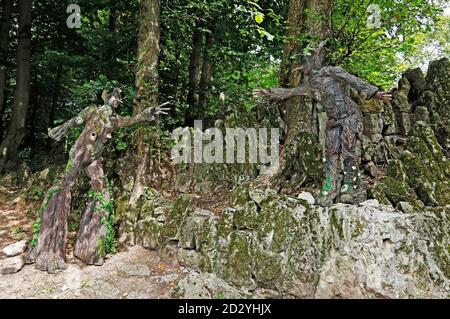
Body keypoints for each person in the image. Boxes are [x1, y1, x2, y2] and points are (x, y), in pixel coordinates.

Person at [254, 41, 392, 206]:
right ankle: (329, 188)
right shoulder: (309, 85)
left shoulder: (330, 72)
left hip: (350, 116)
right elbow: (290, 92)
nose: (303, 66)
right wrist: (269, 92)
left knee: (348, 152)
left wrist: (375, 93)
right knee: (331, 154)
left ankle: (352, 186)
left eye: (305, 61)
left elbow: (352, 80)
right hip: (333, 121)